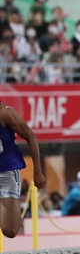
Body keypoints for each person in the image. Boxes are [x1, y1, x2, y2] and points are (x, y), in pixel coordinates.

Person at [0, 102, 46, 241]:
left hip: (7, 170)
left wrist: (37, 170)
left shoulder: (6, 113)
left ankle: (10, 213)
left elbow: (30, 135)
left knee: (10, 230)